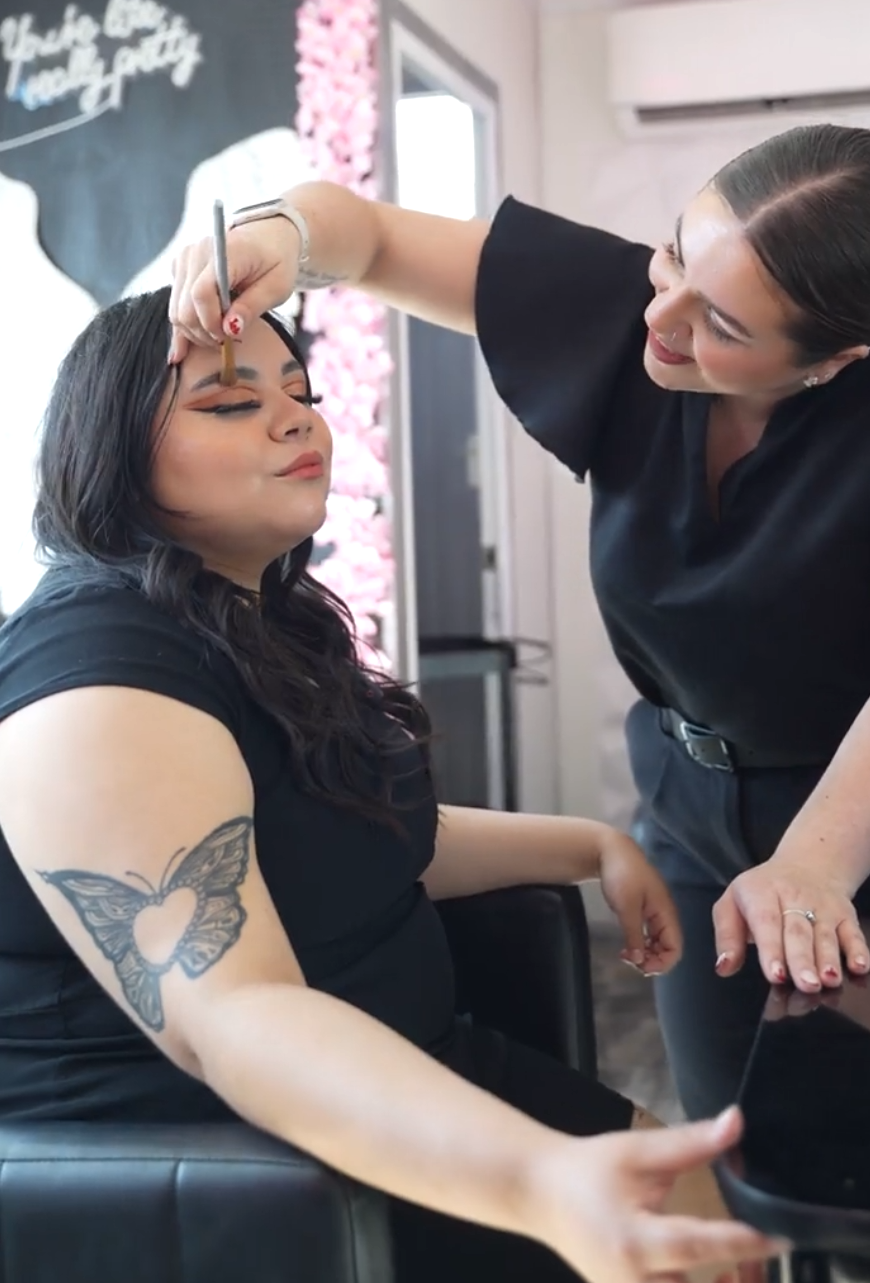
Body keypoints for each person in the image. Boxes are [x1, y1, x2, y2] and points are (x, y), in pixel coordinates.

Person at [0, 290, 778, 1283]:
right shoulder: (96, 674)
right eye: (230, 403)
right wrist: (537, 1184)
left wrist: (591, 846)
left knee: (716, 1232)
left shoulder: (240, 621)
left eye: (300, 389)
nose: (295, 418)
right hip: (241, 1165)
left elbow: (348, 834)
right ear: (109, 453)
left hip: (411, 1064)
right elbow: (232, 1020)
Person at [168, 122, 870, 1122]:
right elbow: (373, 240)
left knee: (859, 1167)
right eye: (676, 256)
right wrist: (284, 235)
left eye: (723, 326)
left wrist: (816, 866)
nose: (664, 318)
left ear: (832, 363)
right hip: (690, 803)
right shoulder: (634, 306)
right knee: (729, 1139)